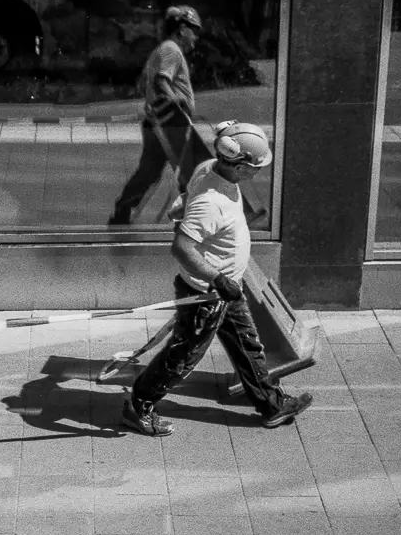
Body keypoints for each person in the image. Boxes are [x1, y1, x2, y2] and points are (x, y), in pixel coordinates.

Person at [120, 120, 313, 436]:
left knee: (248, 347)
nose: (257, 173)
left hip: (226, 291)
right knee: (182, 357)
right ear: (237, 166)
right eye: (255, 168)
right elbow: (183, 247)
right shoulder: (211, 202)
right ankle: (138, 406)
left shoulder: (212, 169)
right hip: (207, 297)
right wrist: (217, 277)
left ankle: (271, 406)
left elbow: (184, 204)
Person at [108, 5, 212, 226]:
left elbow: (143, 83)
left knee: (151, 171)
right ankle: (200, 218)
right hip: (170, 122)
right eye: (194, 30)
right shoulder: (171, 50)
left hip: (159, 121)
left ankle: (123, 210)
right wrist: (178, 104)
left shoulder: (161, 50)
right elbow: (161, 80)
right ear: (182, 28)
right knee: (191, 171)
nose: (196, 37)